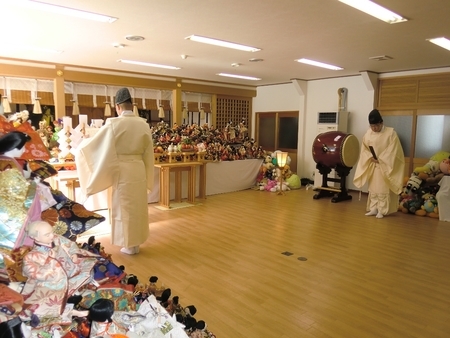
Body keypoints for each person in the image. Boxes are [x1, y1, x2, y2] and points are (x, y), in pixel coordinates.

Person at [75, 87, 154, 255]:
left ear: (118, 106)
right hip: (138, 168)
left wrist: (80, 148)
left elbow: (96, 145)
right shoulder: (143, 124)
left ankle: (129, 244)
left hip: (123, 169)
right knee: (138, 207)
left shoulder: (114, 124)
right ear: (131, 105)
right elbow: (149, 152)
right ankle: (136, 243)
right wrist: (148, 174)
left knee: (125, 207)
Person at [21, 220, 97, 318]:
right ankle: (73, 312)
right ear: (35, 237)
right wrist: (52, 269)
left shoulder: (56, 239)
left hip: (72, 269)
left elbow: (70, 245)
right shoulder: (31, 257)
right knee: (37, 307)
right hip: (52, 283)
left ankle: (75, 294)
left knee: (88, 268)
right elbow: (32, 273)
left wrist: (73, 253)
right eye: (47, 235)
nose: (52, 236)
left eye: (51, 232)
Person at [353, 109, 405, 218]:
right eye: (372, 126)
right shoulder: (368, 134)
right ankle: (374, 208)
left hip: (385, 166)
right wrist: (370, 157)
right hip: (373, 165)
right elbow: (364, 149)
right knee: (373, 188)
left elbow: (393, 151)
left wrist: (381, 159)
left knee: (382, 188)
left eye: (376, 126)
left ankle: (382, 210)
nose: (374, 128)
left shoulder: (391, 134)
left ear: (381, 123)